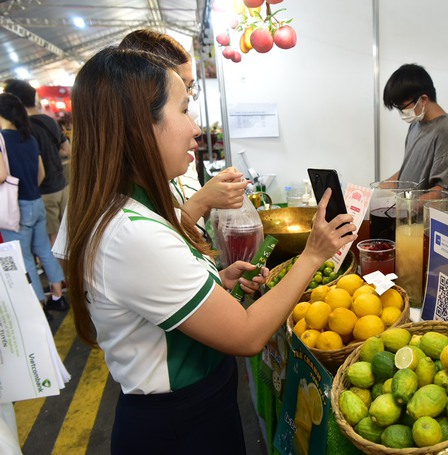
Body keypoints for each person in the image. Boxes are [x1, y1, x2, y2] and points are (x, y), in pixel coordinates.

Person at [63, 47, 355, 454]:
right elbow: (249, 335)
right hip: (178, 427)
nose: (196, 129)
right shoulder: (132, 233)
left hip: (193, 411)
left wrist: (216, 283)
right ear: (139, 127)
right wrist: (312, 255)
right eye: (184, 110)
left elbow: (161, 301)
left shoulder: (131, 208)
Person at [119, 29, 242, 228]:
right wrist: (203, 200)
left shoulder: (178, 141)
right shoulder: (121, 185)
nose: (195, 129)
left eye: (190, 87)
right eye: (179, 86)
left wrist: (212, 198)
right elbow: (155, 235)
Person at [0, 93, 67, 319]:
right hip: (36, 200)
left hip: (15, 209)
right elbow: (41, 173)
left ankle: (39, 306)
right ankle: (58, 297)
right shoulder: (28, 137)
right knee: (45, 251)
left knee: (25, 258)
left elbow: (1, 175)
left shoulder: (1, 139)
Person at [3, 79, 71, 246]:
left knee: (53, 242)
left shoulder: (21, 131)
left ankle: (62, 272)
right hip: (62, 185)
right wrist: (53, 157)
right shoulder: (49, 120)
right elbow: (67, 150)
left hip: (43, 193)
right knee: (69, 232)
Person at [382, 63, 448, 192]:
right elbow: (408, 171)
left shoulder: (446, 132)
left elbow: (442, 191)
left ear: (423, 99)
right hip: (406, 210)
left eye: (403, 107)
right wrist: (378, 189)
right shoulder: (415, 125)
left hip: (422, 212)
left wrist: (407, 205)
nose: (402, 113)